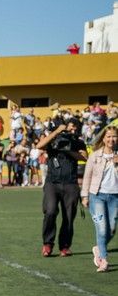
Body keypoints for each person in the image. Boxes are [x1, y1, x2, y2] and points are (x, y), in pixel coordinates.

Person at [37, 116, 87, 256]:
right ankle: (47, 244)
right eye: (71, 126)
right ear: (65, 126)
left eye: (76, 127)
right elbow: (39, 146)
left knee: (69, 216)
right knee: (50, 211)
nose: (73, 129)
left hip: (71, 183)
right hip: (52, 183)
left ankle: (64, 246)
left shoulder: (79, 142)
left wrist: (68, 149)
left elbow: (84, 157)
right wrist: (56, 133)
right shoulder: (54, 139)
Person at [81, 123, 118, 272]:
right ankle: (103, 260)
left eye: (114, 136)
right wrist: (84, 196)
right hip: (97, 196)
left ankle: (98, 248)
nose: (111, 139)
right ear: (103, 138)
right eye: (108, 136)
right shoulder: (95, 155)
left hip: (115, 196)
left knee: (112, 228)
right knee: (102, 229)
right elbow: (87, 176)